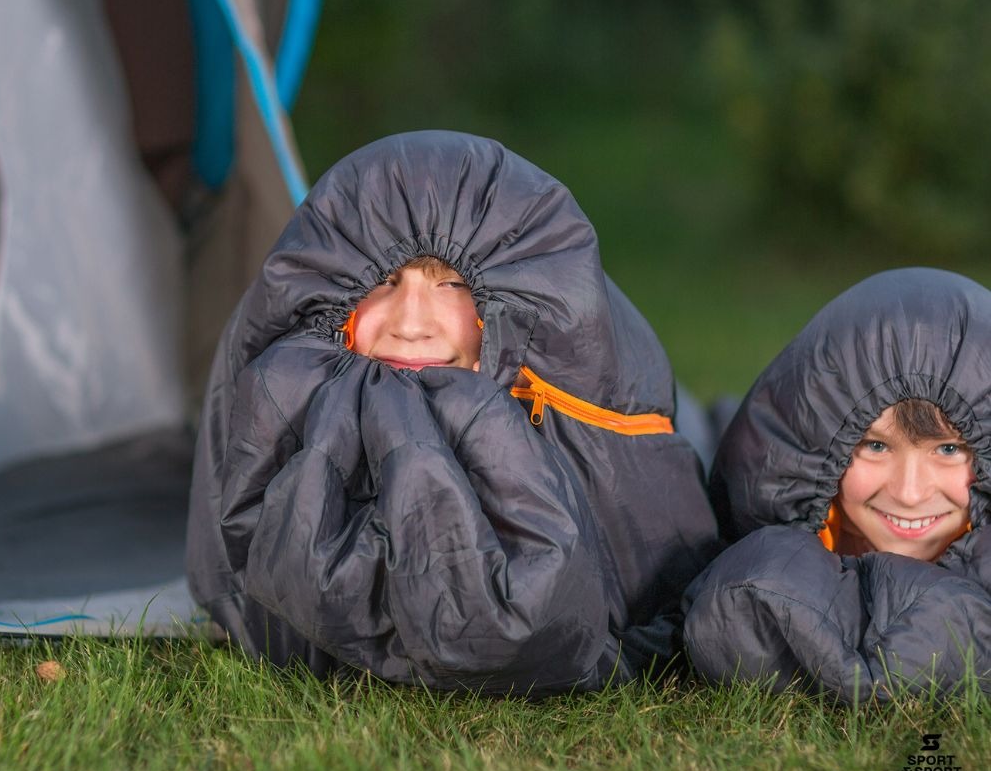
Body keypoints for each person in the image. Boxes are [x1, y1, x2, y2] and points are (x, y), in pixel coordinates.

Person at [186, 130, 719, 694]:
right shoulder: (291, 385)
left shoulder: (566, 392)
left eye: (452, 285)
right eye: (385, 281)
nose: (410, 321)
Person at [682, 268, 991, 700]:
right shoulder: (785, 530)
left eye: (947, 450)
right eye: (876, 447)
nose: (910, 492)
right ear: (819, 441)